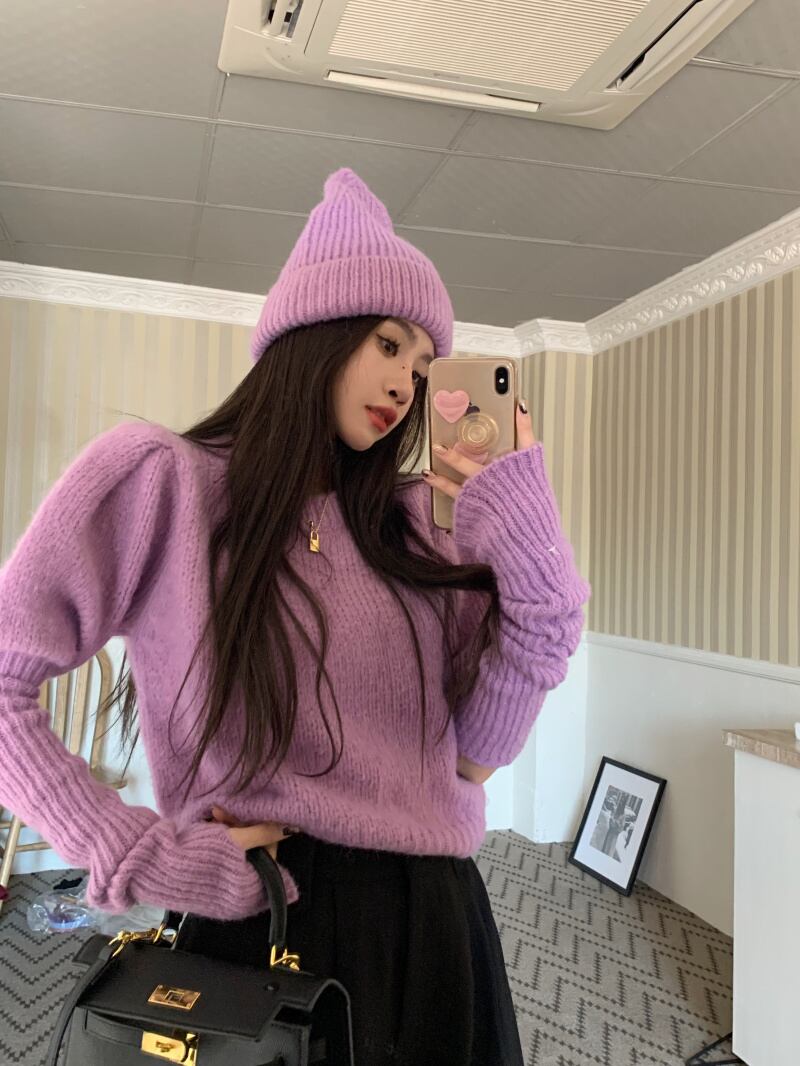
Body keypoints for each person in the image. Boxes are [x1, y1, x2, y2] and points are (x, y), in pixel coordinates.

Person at [0, 168, 591, 1065]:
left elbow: (475, 753)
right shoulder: (166, 483)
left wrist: (518, 510)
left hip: (431, 926)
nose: (406, 383)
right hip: (257, 910)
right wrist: (138, 854)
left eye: (424, 367)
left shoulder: (414, 530)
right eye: (388, 343)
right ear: (315, 333)